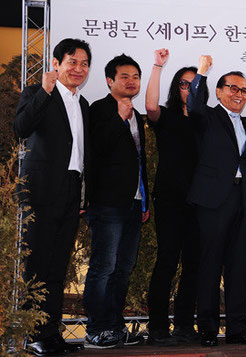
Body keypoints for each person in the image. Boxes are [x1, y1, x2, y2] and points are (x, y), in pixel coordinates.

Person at [14, 38, 91, 356]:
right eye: (72, 61)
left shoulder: (83, 104)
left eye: (84, 63)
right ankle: (32, 334)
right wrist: (45, 91)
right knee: (37, 264)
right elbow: (21, 127)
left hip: (71, 190)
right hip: (41, 190)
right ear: (56, 64)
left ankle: (51, 332)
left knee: (58, 266)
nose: (79, 68)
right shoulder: (37, 93)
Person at [187, 55, 246, 347]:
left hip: (242, 203)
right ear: (219, 92)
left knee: (238, 268)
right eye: (232, 88)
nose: (238, 94)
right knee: (210, 265)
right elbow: (193, 102)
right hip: (213, 202)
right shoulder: (207, 117)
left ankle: (236, 329)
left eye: (243, 90)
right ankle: (206, 328)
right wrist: (202, 72)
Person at [83, 54, 148, 349]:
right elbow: (95, 149)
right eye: (124, 76)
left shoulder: (138, 114)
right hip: (107, 202)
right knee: (104, 267)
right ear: (110, 80)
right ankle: (96, 329)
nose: (131, 81)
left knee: (124, 268)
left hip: (134, 202)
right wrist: (118, 118)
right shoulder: (99, 109)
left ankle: (115, 326)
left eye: (135, 76)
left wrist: (146, 198)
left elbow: (139, 160)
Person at [144, 49, 200, 346]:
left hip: (198, 203)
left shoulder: (205, 121)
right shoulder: (165, 116)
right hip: (169, 199)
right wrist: (157, 66)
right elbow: (149, 105)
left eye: (195, 84)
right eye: (183, 83)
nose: (189, 89)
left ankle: (183, 325)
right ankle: (156, 327)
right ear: (175, 87)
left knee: (193, 264)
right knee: (167, 260)